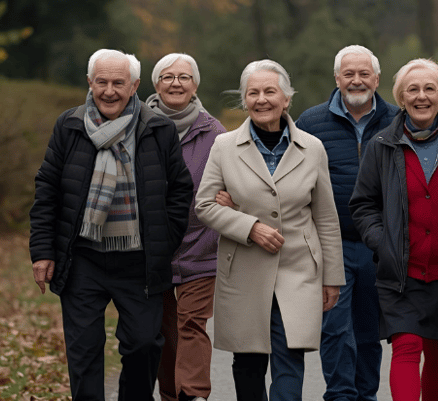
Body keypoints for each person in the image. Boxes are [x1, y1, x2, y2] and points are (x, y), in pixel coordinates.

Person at [30, 49, 194, 401]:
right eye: (101, 82)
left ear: (134, 85)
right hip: (82, 258)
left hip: (140, 261)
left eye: (118, 83)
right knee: (84, 350)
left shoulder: (157, 128)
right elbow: (47, 189)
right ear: (89, 83)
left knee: (144, 344)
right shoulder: (69, 125)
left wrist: (163, 241)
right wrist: (42, 251)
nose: (108, 91)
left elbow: (180, 190)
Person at [194, 59, 346, 401]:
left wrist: (332, 277)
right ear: (244, 100)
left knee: (290, 360)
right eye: (253, 93)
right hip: (244, 269)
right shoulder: (223, 147)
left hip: (299, 270)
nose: (262, 99)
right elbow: (204, 205)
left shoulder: (313, 148)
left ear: (286, 99)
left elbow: (325, 216)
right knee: (247, 363)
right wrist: (250, 227)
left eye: (270, 91)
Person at [348, 58, 438, 401]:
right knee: (405, 346)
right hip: (399, 273)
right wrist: (383, 242)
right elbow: (363, 204)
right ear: (401, 98)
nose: (422, 96)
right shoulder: (381, 145)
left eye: (429, 89)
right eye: (413, 89)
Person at [295, 44, 399, 401]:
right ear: (337, 78)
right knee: (336, 329)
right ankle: (340, 396)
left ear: (377, 79)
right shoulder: (310, 122)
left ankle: (366, 395)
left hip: (378, 244)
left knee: (369, 332)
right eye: (349, 74)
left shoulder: (396, 120)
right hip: (329, 245)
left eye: (364, 74)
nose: (357, 81)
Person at [147, 53, 227, 401]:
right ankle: (170, 394)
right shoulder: (138, 126)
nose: (175, 83)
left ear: (195, 84)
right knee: (163, 330)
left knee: (192, 323)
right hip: (153, 248)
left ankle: (193, 395)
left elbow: (234, 177)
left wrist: (232, 198)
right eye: (167, 77)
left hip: (201, 245)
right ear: (155, 84)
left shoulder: (214, 133)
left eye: (183, 77)